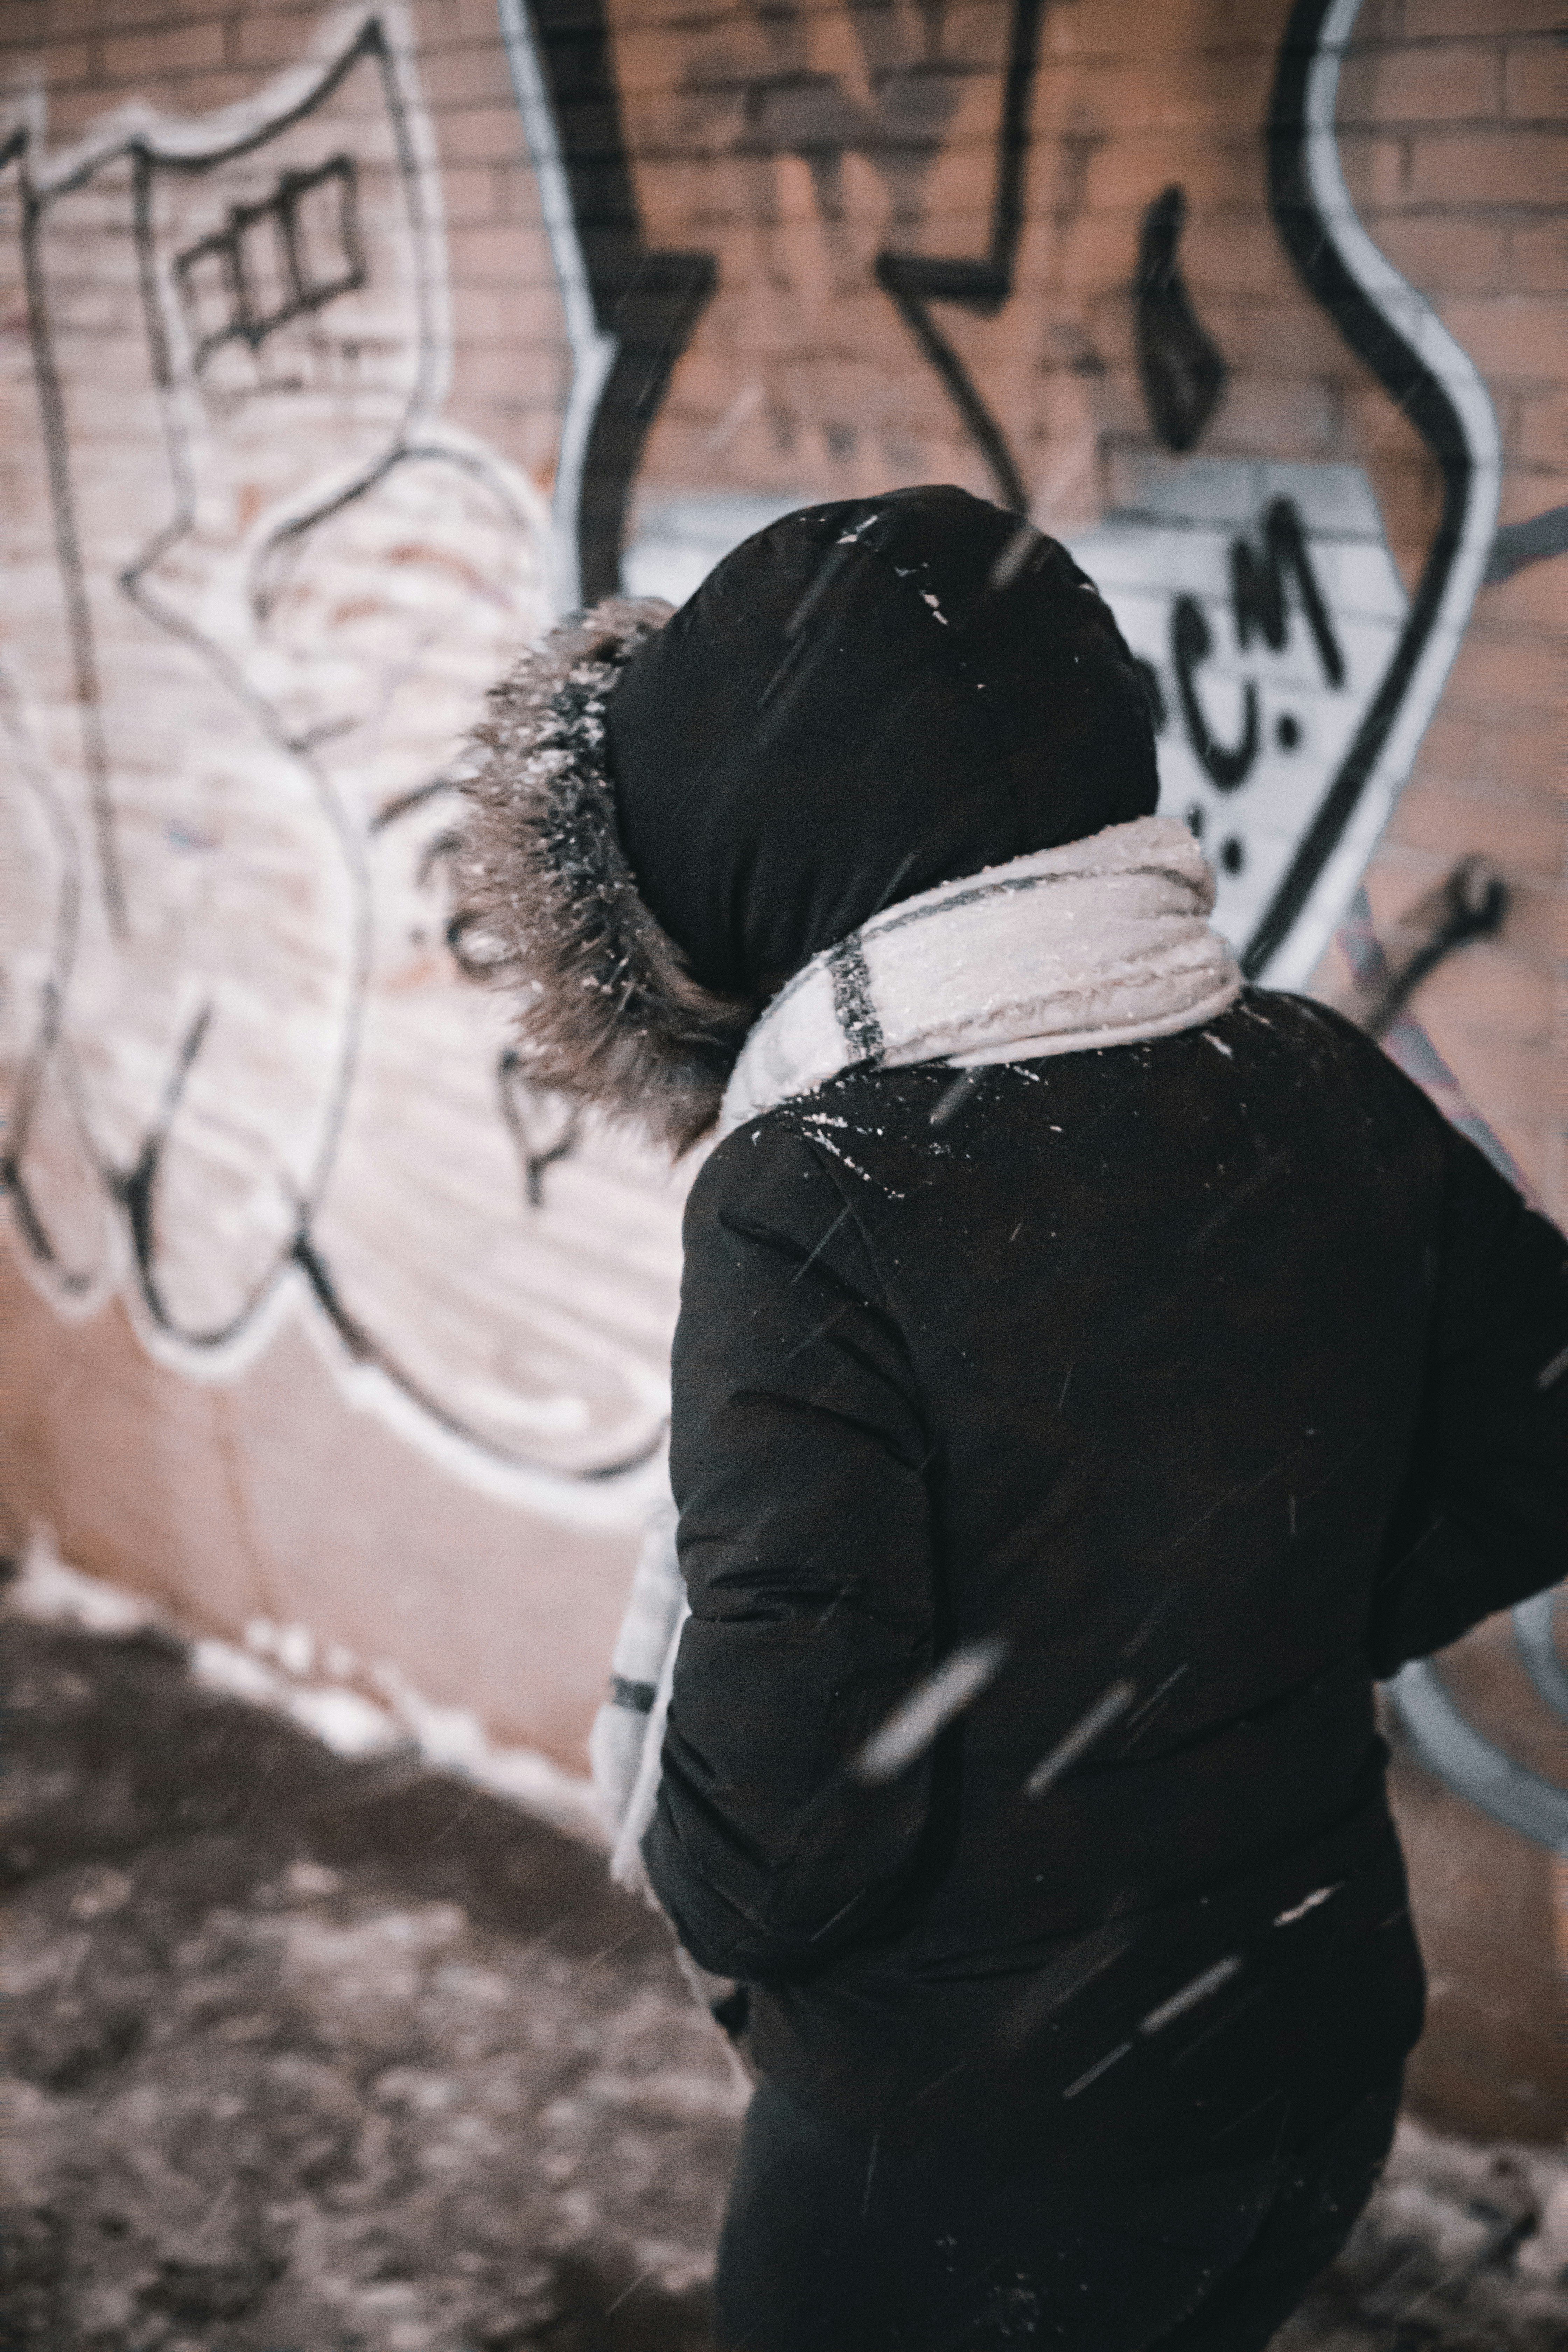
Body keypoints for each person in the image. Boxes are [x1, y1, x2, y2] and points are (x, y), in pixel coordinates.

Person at [456, 486, 1568, 2351]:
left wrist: (750, 1872)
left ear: (759, 846)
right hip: (1304, 2064)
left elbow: (772, 1839)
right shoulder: (1307, 1073)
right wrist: (1251, 1638)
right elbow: (1542, 1440)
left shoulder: (818, 1192)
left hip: (972, 2155)